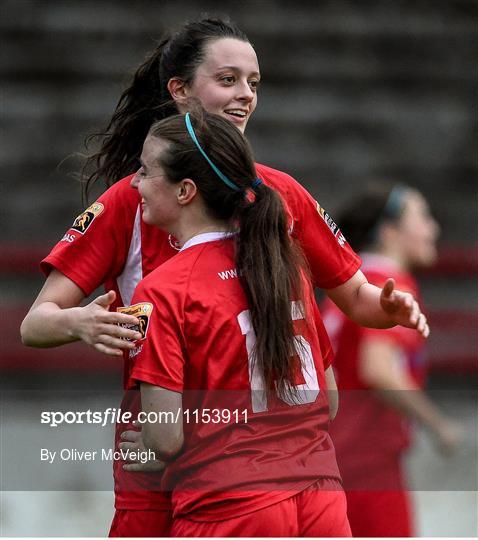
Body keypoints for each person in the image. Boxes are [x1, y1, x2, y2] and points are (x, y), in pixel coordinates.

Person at [20, 18, 428, 537]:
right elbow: (36, 323)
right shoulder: (131, 200)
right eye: (229, 79)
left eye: (254, 83)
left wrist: (387, 309)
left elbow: (358, 298)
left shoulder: (281, 196)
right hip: (169, 464)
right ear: (180, 90)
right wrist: (80, 323)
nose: (245, 96)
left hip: (221, 462)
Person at [322, 183, 463, 537]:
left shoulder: (351, 286)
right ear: (389, 232)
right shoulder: (388, 285)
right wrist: (437, 424)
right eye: (423, 218)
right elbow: (378, 368)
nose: (434, 229)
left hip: (334, 455)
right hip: (367, 460)